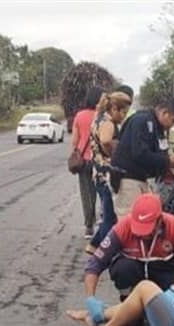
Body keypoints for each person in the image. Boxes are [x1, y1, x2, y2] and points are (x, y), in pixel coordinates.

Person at [84, 193, 174, 312]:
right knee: (122, 268)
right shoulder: (123, 227)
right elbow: (95, 263)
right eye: (139, 228)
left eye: (147, 229)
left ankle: (160, 309)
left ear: (159, 220)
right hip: (134, 272)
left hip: (164, 272)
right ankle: (129, 305)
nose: (142, 234)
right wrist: (90, 298)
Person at [85, 90, 133, 255]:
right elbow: (105, 140)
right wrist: (113, 153)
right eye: (123, 112)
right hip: (105, 174)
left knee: (109, 213)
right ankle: (103, 252)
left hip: (98, 172)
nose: (124, 116)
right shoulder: (108, 123)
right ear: (114, 108)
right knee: (110, 216)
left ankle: (94, 245)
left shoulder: (99, 118)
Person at [112, 97, 174, 193]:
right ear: (164, 113)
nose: (173, 125)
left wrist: (168, 164)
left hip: (145, 179)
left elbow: (158, 152)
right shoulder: (141, 121)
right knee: (130, 208)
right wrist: (168, 161)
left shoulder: (158, 128)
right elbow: (140, 153)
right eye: (173, 121)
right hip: (129, 179)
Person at [71, 86, 103, 238]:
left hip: (84, 160)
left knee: (86, 194)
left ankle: (89, 227)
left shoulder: (79, 116)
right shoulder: (103, 116)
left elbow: (74, 141)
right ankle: (105, 222)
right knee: (103, 192)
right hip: (100, 160)